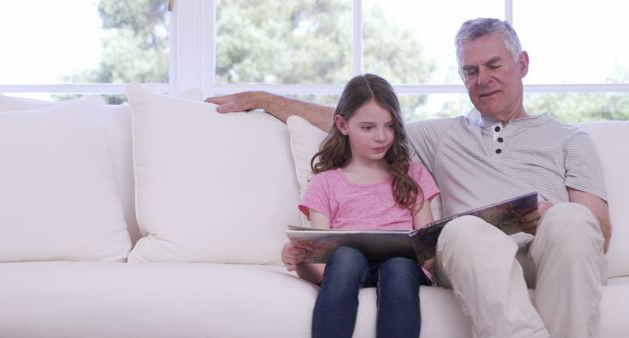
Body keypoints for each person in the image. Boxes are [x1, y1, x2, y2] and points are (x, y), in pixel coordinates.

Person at [206, 18, 611, 338]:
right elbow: (356, 120)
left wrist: (546, 213)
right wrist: (263, 100)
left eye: (493, 65)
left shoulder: (569, 138)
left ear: (521, 64)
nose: (482, 79)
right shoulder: (443, 134)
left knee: (572, 219)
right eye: (470, 70)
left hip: (545, 254)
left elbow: (598, 232)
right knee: (461, 230)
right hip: (472, 260)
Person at [279, 73, 438, 338]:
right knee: (345, 257)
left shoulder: (414, 175)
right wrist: (300, 260)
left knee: (398, 266)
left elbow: (429, 255)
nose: (381, 137)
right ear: (342, 124)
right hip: (347, 269)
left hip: (404, 270)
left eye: (389, 126)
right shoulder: (325, 183)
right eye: (368, 127)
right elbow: (320, 269)